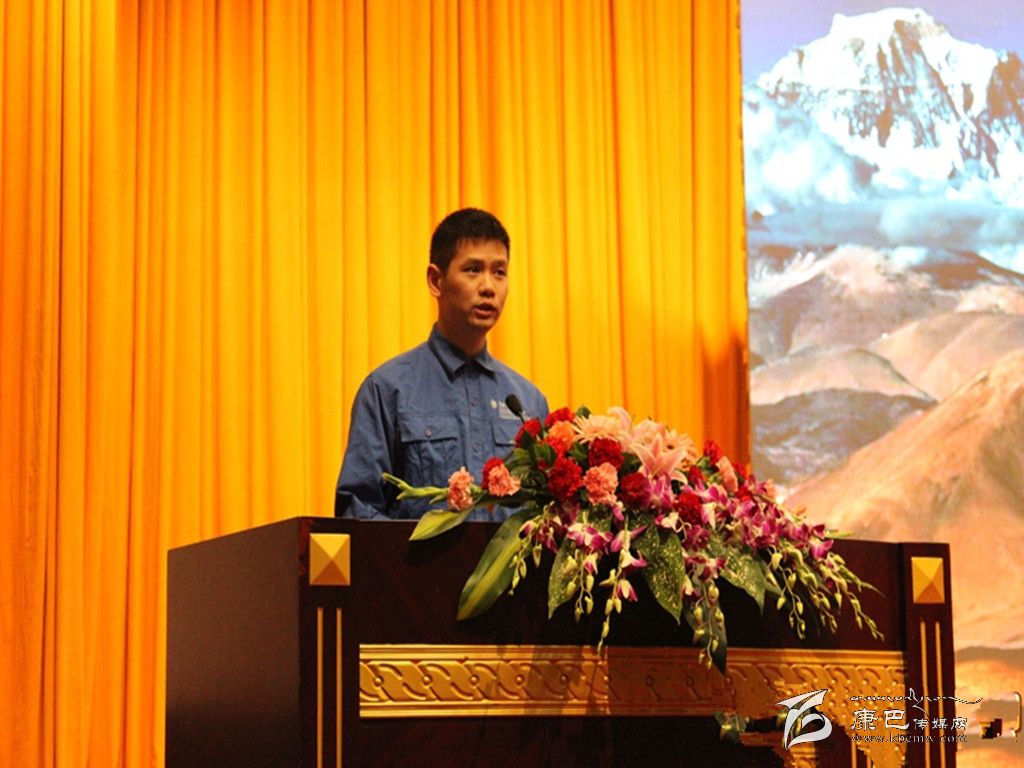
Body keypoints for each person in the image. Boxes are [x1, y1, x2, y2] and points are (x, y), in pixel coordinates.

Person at [336, 208, 549, 519]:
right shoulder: (386, 390)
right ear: (436, 281)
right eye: (473, 270)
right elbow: (358, 509)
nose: (488, 287)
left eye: (499, 272)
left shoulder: (528, 402)